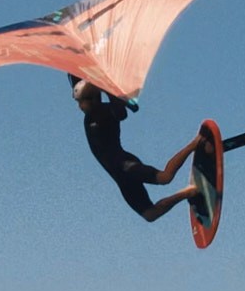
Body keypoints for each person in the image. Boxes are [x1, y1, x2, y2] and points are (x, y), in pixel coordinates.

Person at [73, 77, 203, 222]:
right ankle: (189, 192)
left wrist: (107, 88)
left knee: (165, 178)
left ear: (93, 99)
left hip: (125, 165)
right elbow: (77, 78)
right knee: (150, 214)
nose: (80, 107)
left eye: (81, 102)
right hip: (119, 176)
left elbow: (121, 114)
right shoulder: (89, 114)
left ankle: (195, 143)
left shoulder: (108, 111)